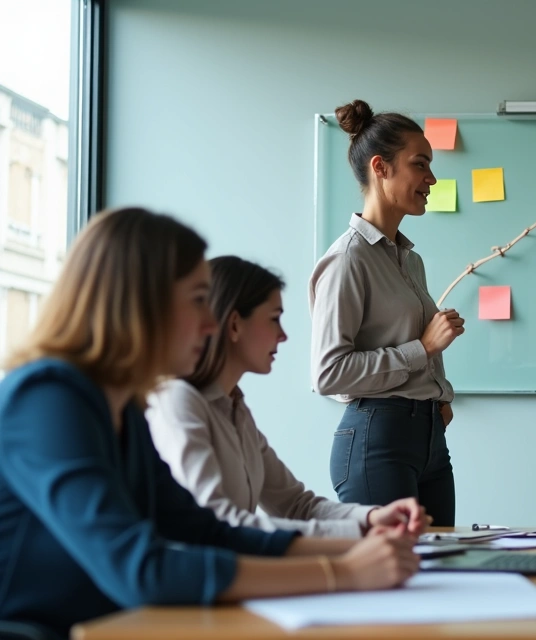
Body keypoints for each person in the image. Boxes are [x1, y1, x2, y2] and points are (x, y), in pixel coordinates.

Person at [0, 208, 425, 638]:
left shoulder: (124, 407)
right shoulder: (46, 398)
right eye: (198, 300)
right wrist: (342, 572)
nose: (210, 324)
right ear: (141, 302)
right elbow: (143, 568)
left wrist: (361, 545)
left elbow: (203, 530)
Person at [148, 256, 430, 538]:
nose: (283, 335)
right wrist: (356, 538)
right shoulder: (179, 403)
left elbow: (297, 505)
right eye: (274, 319)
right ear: (234, 325)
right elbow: (221, 523)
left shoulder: (236, 409)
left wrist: (372, 517)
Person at [310, 100, 463, 526]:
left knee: (441, 575)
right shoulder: (347, 260)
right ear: (381, 167)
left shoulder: (410, 260)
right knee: (396, 582)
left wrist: (439, 395)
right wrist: (423, 348)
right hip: (377, 439)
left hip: (428, 437)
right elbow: (328, 374)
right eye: (420, 165)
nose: (431, 178)